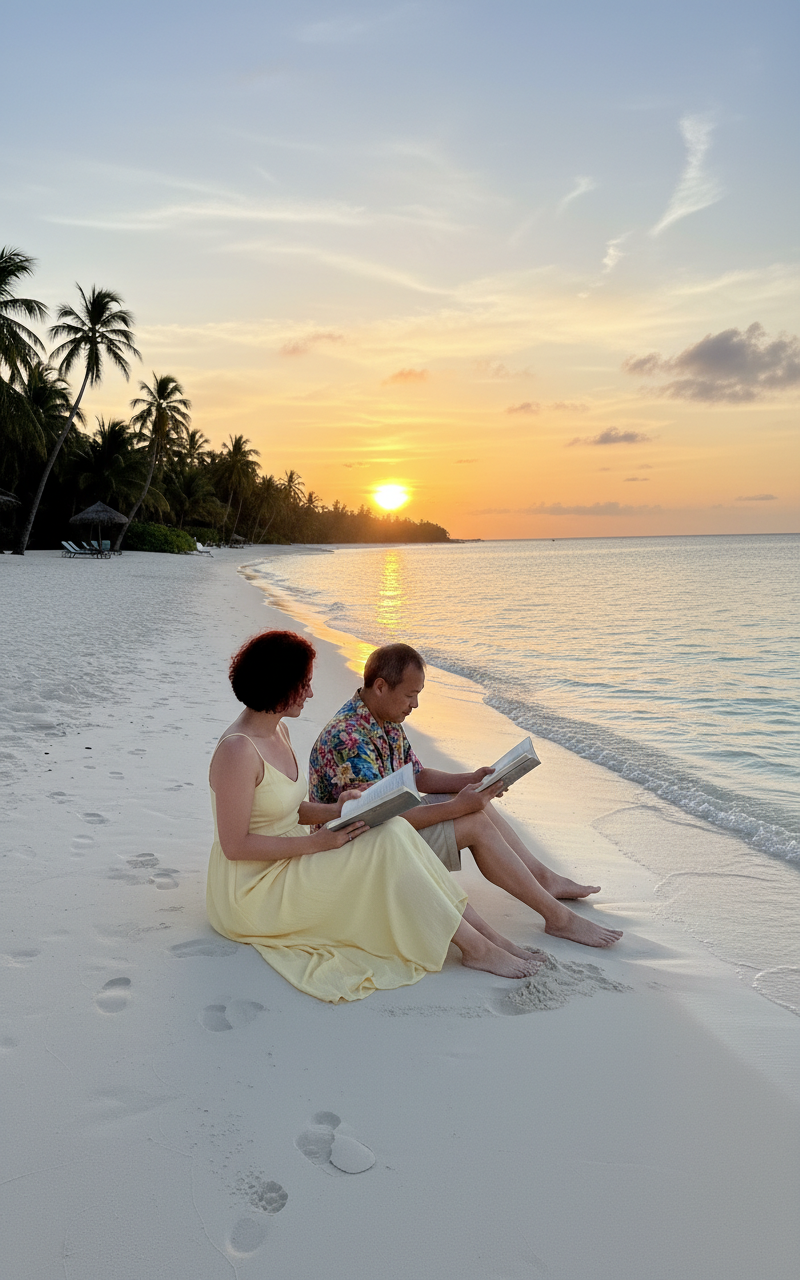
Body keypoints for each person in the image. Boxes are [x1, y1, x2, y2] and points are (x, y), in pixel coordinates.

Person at [206, 630, 542, 1004]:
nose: (311, 693)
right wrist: (317, 842)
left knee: (393, 829)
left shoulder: (278, 731)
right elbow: (235, 846)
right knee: (387, 838)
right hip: (253, 890)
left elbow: (286, 809)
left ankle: (485, 938)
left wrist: (337, 810)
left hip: (290, 856)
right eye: (304, 684)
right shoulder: (238, 751)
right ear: (278, 684)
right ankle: (477, 947)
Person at [309, 643, 623, 950]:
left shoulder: (382, 716)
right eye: (410, 695)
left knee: (467, 797)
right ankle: (558, 919)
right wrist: (460, 807)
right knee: (474, 821)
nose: (415, 704)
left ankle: (544, 879)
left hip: (386, 829)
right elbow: (377, 818)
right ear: (380, 686)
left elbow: (416, 776)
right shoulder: (347, 738)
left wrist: (471, 780)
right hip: (357, 852)